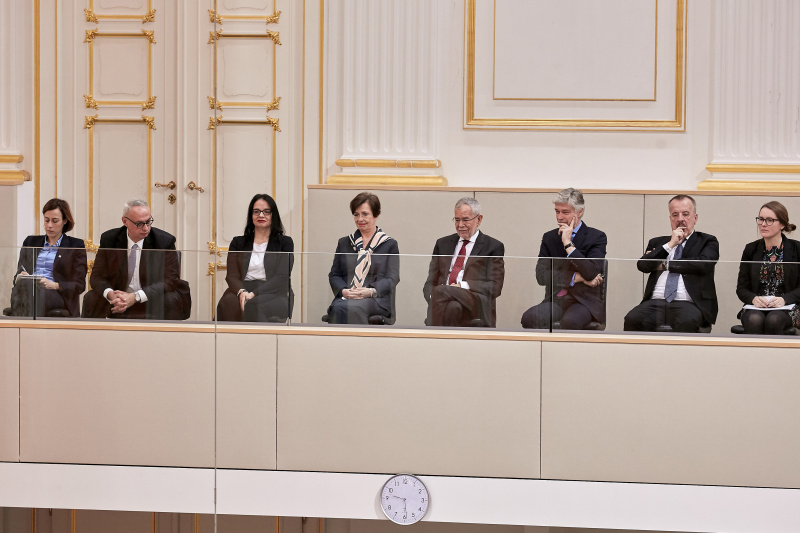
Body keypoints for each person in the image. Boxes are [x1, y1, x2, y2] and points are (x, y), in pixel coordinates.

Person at [82, 199, 190, 320]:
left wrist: (135, 297)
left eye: (148, 222)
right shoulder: (110, 239)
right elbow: (97, 276)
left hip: (150, 296)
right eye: (139, 224)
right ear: (125, 221)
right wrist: (112, 295)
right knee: (91, 298)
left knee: (170, 299)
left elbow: (171, 280)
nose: (146, 228)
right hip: (119, 296)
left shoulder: (164, 241)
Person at [624, 194, 719, 333]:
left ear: (695, 218)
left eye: (685, 214)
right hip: (655, 302)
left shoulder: (707, 241)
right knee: (632, 319)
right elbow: (643, 266)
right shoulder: (657, 243)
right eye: (675, 215)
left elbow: (703, 264)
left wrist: (665, 265)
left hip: (689, 303)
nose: (680, 219)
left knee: (687, 321)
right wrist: (670, 245)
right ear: (670, 219)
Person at [521, 188, 607, 330]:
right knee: (529, 318)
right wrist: (577, 277)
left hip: (584, 301)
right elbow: (541, 276)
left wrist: (568, 244)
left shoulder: (596, 237)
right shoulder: (549, 238)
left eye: (565, 212)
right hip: (557, 298)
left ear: (579, 212)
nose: (559, 217)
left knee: (570, 321)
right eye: (557, 211)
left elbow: (591, 272)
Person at [423, 197, 505, 327]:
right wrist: (435, 299)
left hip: (475, 302)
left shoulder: (493, 246)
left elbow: (495, 287)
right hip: (445, 304)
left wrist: (462, 285)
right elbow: (430, 282)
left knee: (441, 291)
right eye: (457, 220)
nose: (460, 225)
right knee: (452, 307)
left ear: (479, 219)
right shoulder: (442, 244)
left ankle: (433, 334)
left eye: (465, 220)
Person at [216, 194, 294, 322]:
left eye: (266, 212)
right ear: (251, 215)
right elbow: (232, 276)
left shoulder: (285, 242)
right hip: (242, 288)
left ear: (273, 215)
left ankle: (255, 336)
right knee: (228, 303)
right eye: (256, 211)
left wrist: (253, 294)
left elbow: (281, 277)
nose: (261, 215)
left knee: (254, 305)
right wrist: (242, 292)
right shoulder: (237, 242)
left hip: (273, 291)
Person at [326, 192, 399, 324]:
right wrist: (343, 291)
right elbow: (334, 275)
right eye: (356, 214)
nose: (360, 219)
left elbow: (392, 278)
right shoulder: (344, 243)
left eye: (365, 214)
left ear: (376, 215)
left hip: (375, 298)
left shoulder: (389, 244)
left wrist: (369, 291)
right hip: (347, 296)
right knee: (339, 307)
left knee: (351, 308)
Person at [6, 198, 87, 317]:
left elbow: (79, 285)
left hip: (55, 294)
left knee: (30, 292)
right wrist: (21, 276)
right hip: (27, 290)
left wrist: (54, 285)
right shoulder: (30, 242)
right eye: (46, 220)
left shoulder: (75, 245)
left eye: (55, 221)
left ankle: (24, 325)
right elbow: (17, 276)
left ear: (65, 221)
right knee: (26, 287)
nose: (49, 225)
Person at [735, 201, 800, 334]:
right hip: (757, 306)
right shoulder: (751, 249)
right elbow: (741, 288)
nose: (763, 224)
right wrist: (753, 299)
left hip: (788, 306)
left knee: (774, 320)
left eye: (770, 220)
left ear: (782, 224)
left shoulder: (797, 249)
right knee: (754, 319)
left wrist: (785, 299)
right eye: (761, 219)